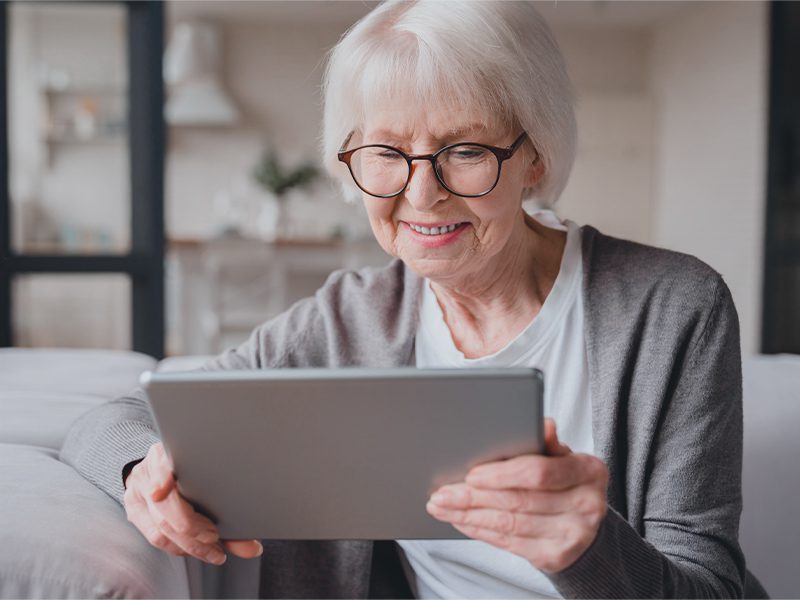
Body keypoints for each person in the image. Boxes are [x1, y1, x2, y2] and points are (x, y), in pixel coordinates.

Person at [60, 1, 763, 597]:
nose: (420, 194)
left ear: (536, 157)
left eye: (464, 150)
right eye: (387, 153)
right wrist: (141, 472)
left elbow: (710, 585)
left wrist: (588, 546)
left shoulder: (674, 307)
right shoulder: (347, 318)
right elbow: (110, 420)